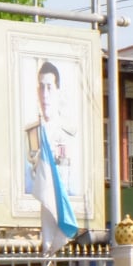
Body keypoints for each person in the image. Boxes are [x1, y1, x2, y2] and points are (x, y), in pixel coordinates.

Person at [24, 60, 80, 198]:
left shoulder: (67, 134)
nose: (45, 94)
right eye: (41, 87)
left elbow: (70, 184)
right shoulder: (31, 134)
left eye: (49, 87)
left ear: (58, 91)